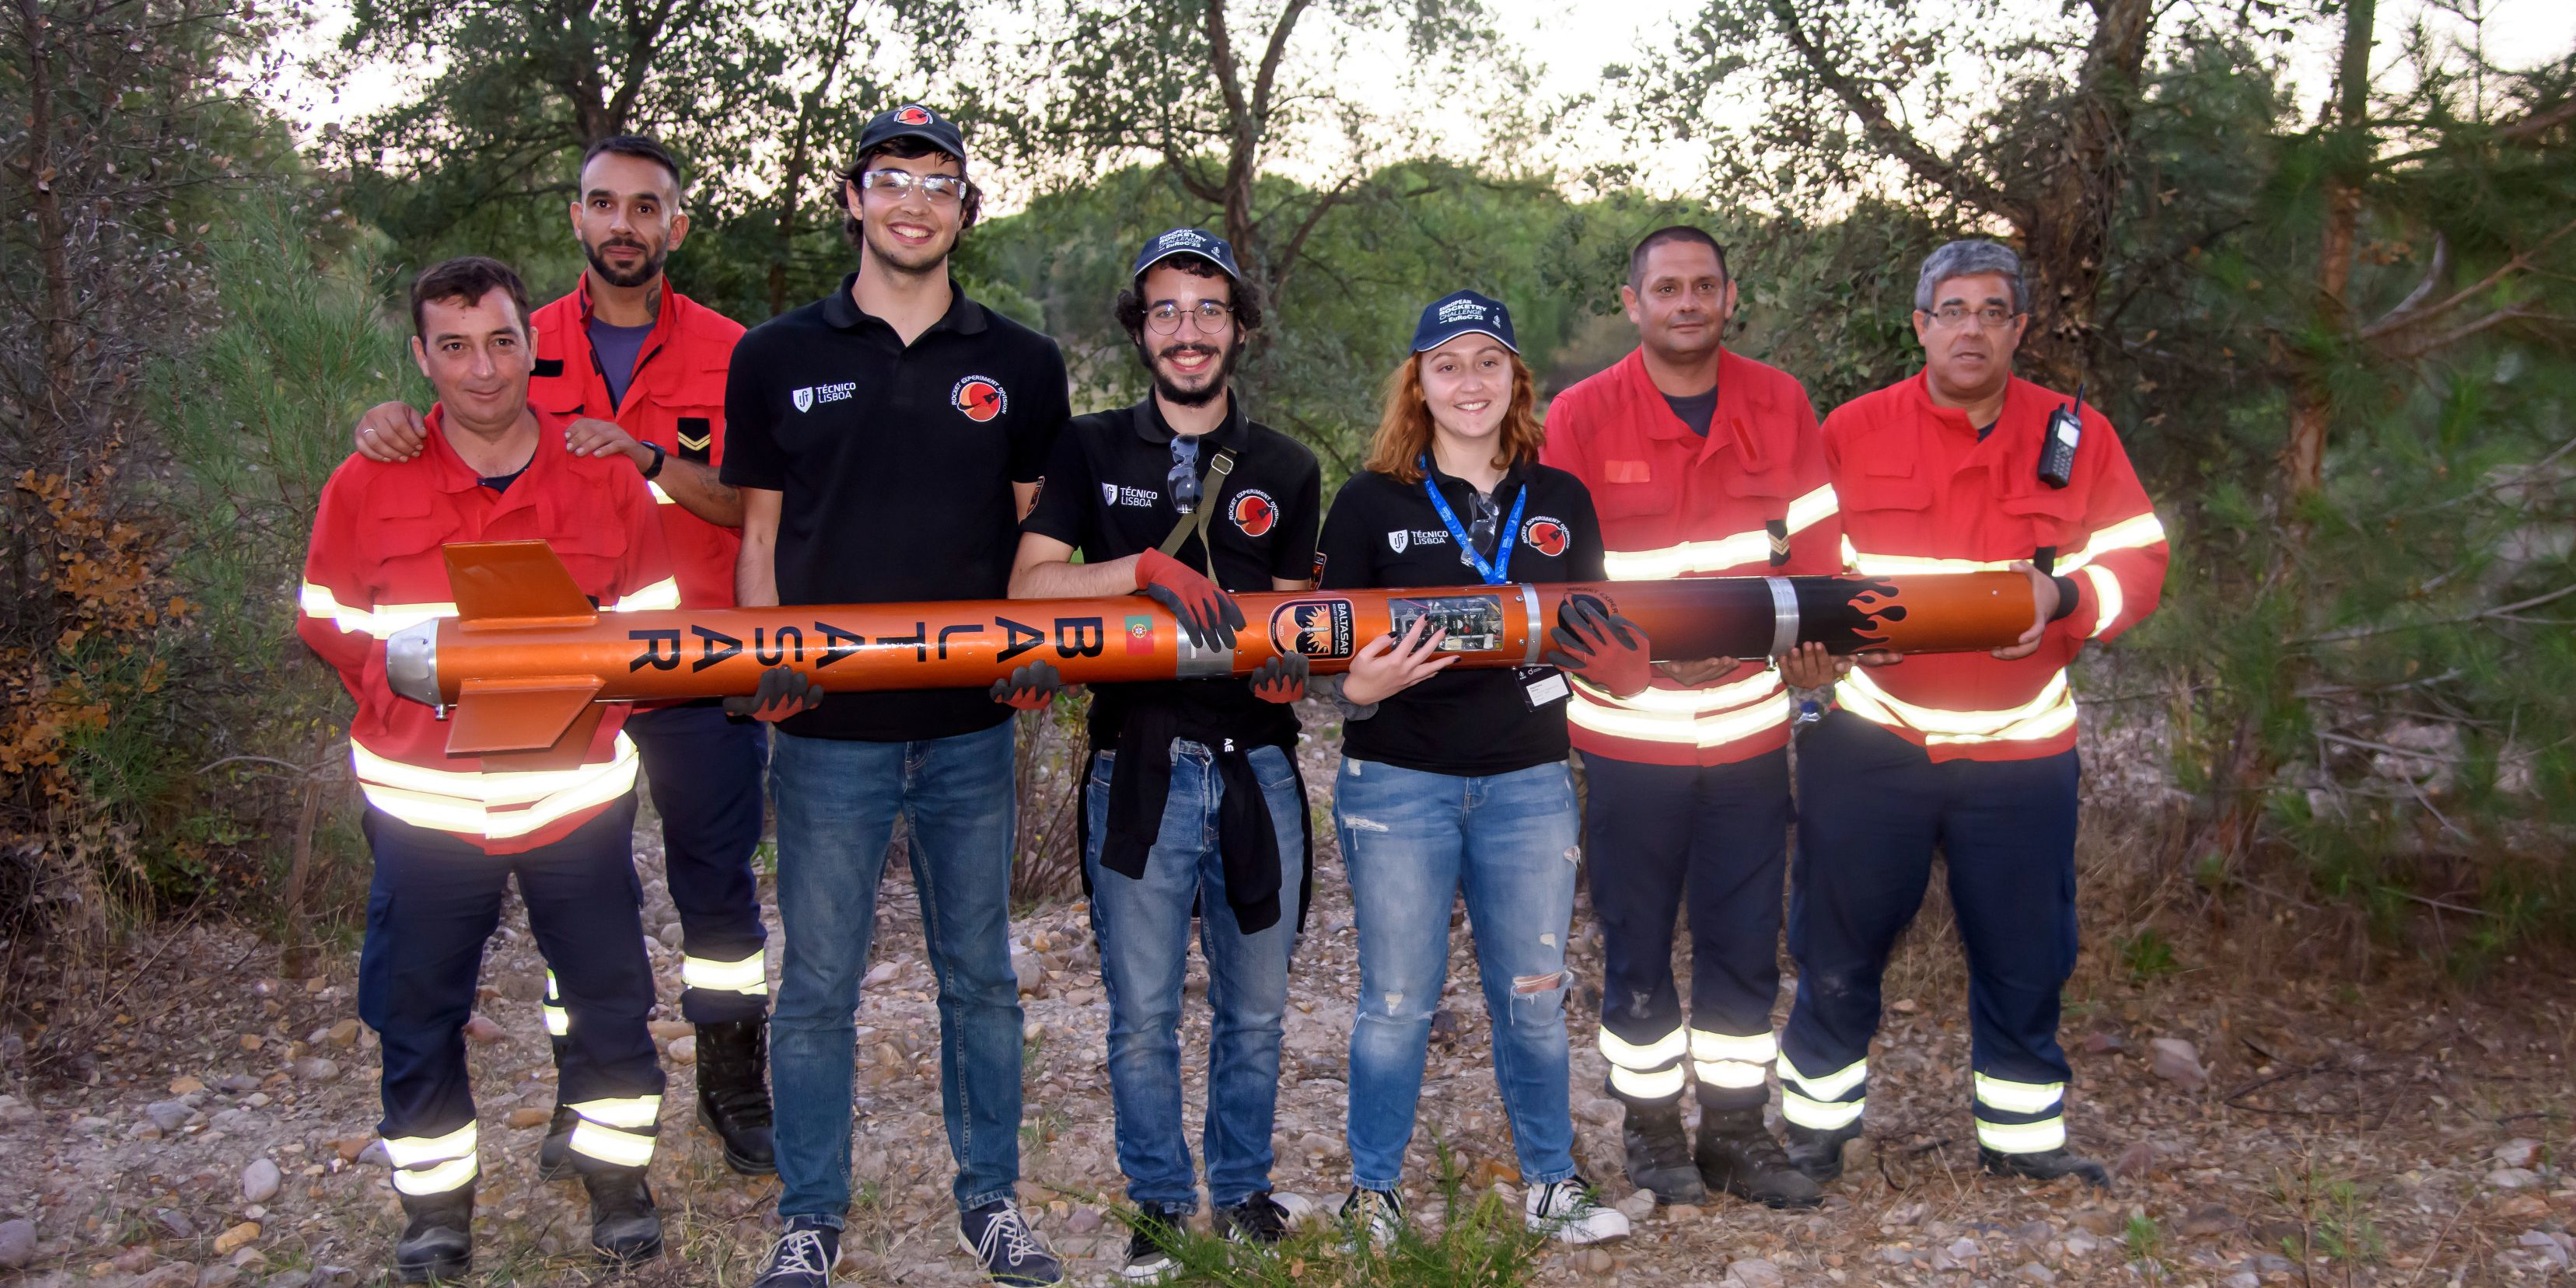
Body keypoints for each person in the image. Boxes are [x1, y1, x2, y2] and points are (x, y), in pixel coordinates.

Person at [348, 135, 774, 1178]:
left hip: (698, 668)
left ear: (676, 225)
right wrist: (387, 427)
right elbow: (443, 448)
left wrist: (651, 464)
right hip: (555, 687)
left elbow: (764, 505)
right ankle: (583, 1099)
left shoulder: (738, 351)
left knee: (718, 902)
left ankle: (734, 1087)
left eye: (646, 206)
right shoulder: (505, 340)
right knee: (578, 903)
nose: (622, 224)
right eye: (602, 204)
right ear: (577, 218)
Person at [718, 103, 1073, 1288]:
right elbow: (760, 532)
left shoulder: (1021, 360)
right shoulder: (775, 354)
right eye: (890, 178)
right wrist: (761, 660)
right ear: (854, 198)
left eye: (938, 181)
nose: (913, 200)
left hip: (972, 730)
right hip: (825, 735)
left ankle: (992, 1202)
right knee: (816, 985)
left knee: (978, 978)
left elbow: (1040, 532)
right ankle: (811, 1215)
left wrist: (1035, 648)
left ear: (966, 208)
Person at [298, 257, 680, 1279]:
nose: (480, 371)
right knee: (416, 1009)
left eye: (501, 342)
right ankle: (434, 1209)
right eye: (454, 347)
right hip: (427, 810)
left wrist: (576, 705)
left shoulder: (601, 475)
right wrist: (412, 693)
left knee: (609, 996)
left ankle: (615, 1183)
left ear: (531, 346)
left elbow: (653, 629)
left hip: (573, 800)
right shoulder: (367, 482)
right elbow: (328, 622)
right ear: (423, 358)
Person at [1780, 239, 2169, 1189]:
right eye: (1951, 310)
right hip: (1874, 738)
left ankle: (2023, 1139)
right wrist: (1830, 634)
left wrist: (2064, 601)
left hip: (2021, 748)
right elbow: (1804, 561)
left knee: (2026, 951)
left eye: (1992, 312)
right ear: (1920, 325)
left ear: (2019, 329)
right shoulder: (1853, 431)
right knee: (1838, 942)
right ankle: (1813, 1131)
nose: (1971, 329)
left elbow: (2139, 561)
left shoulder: (2079, 434)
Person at [1009, 228, 1323, 1282]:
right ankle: (1154, 1209)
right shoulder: (1087, 448)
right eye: (1165, 310)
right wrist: (1138, 567)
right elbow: (1030, 590)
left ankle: (1241, 1195)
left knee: (1257, 1004)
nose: (1187, 331)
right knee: (1140, 1013)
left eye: (1207, 309)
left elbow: (1289, 619)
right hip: (1135, 766)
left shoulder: (1286, 466)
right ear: (1140, 330)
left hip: (1258, 768)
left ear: (1238, 327)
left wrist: (1292, 667)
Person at [1313, 290, 1633, 1248]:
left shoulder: (1560, 498)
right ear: (1418, 382)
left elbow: (1595, 632)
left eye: (1486, 362)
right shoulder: (1371, 499)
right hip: (1397, 784)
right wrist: (1357, 687)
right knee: (1397, 1002)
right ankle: (1374, 1194)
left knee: (1534, 994)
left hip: (1529, 782)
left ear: (1515, 380)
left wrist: (1621, 662)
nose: (1468, 382)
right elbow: (1331, 658)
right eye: (1446, 365)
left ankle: (1550, 1182)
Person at [1537, 227, 1835, 1209]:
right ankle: (1654, 1130)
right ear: (1634, 303)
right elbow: (1558, 579)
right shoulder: (1581, 415)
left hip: (1750, 725)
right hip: (1631, 731)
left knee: (1745, 937)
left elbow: (1819, 553)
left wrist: (1784, 641)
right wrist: (1653, 651)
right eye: (1666, 287)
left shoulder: (1779, 401)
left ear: (1728, 296)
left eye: (1703, 285)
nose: (1686, 302)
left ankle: (1740, 1132)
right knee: (1634, 940)